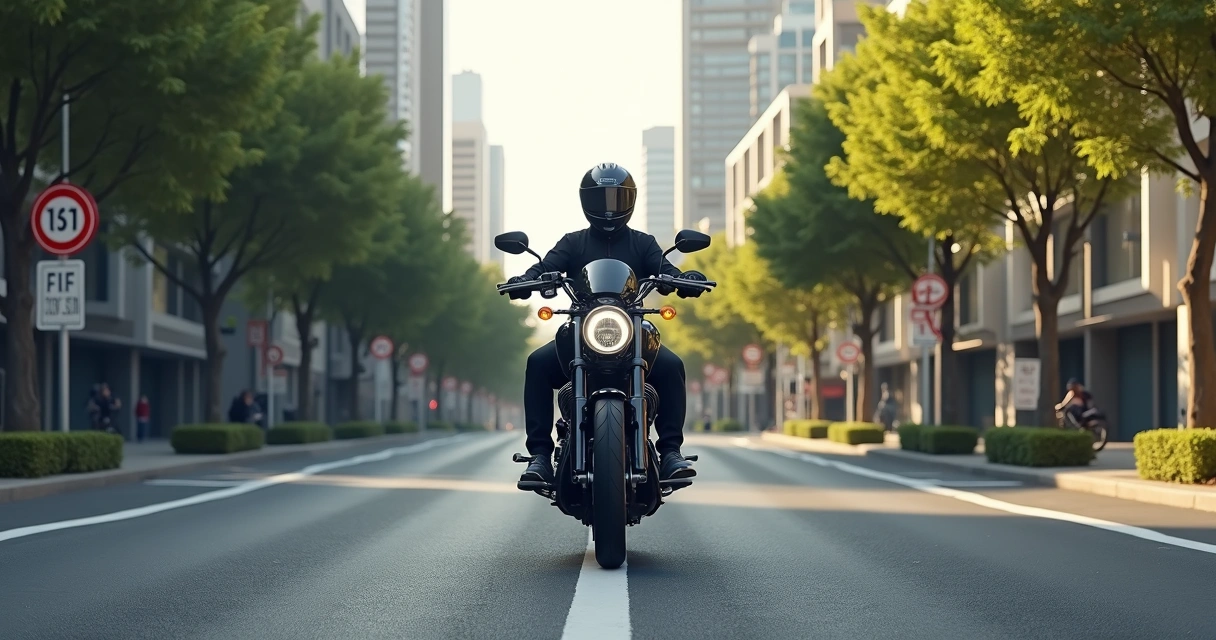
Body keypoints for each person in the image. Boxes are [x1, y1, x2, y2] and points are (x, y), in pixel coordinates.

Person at [506, 163, 707, 485]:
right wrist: (525, 279)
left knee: (672, 366)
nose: (609, 207)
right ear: (587, 201)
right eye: (602, 199)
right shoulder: (573, 243)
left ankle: (671, 452)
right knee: (538, 364)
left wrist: (684, 279)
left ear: (630, 200)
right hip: (582, 331)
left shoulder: (643, 243)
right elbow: (546, 266)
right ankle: (540, 456)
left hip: (630, 331)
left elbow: (663, 268)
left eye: (616, 198)